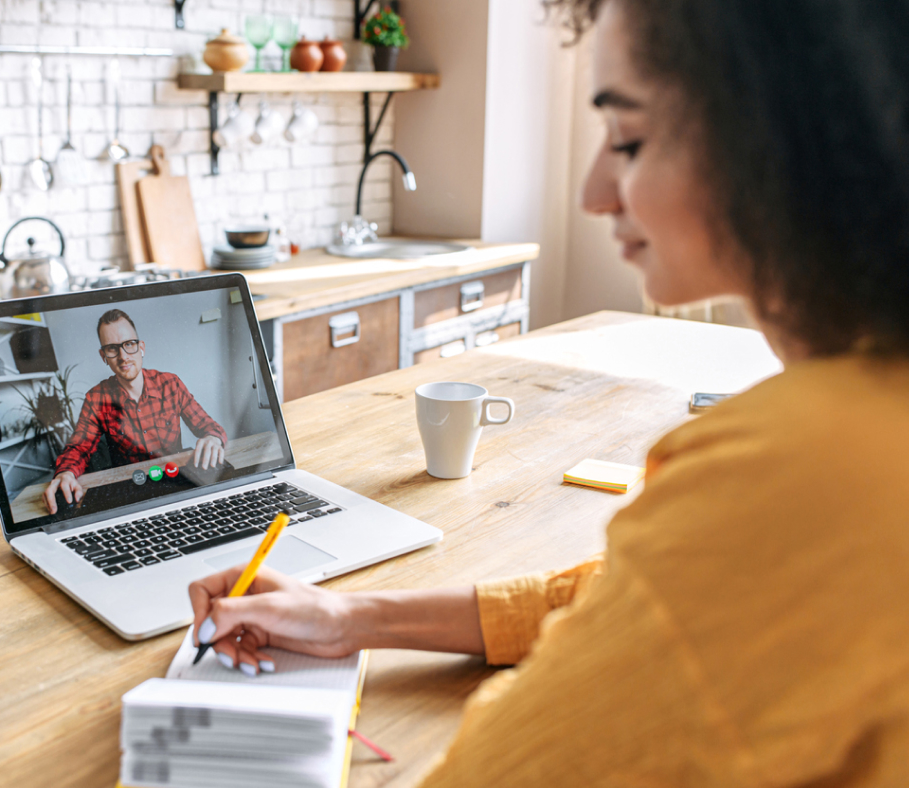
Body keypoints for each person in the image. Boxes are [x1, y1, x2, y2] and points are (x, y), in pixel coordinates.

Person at [187, 0, 909, 784]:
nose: (594, 190)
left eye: (628, 139)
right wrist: (350, 617)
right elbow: (613, 599)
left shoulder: (794, 470)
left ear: (787, 139)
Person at [43, 309, 227, 514]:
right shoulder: (96, 398)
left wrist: (213, 438)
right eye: (112, 349)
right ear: (103, 356)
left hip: (177, 483)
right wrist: (66, 473)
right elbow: (79, 448)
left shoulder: (170, 384)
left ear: (141, 348)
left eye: (129, 344)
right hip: (132, 494)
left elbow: (209, 427)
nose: (123, 356)